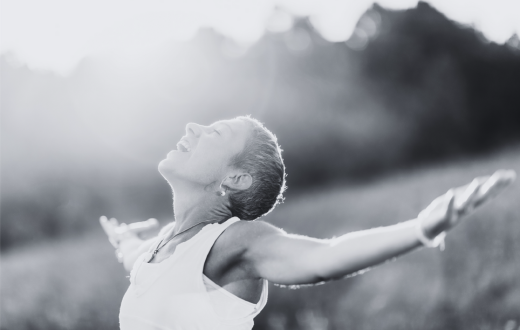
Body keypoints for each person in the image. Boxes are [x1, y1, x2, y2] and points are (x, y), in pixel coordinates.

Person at [100, 116, 515, 330]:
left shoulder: (235, 243)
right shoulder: (167, 243)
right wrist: (124, 241)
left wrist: (422, 227)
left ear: (235, 178)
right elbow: (139, 263)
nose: (193, 126)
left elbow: (324, 258)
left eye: (215, 132)